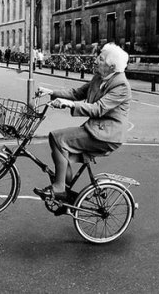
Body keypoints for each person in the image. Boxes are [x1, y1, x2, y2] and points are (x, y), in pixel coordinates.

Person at [33, 43, 131, 201]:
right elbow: (77, 93)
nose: (96, 60)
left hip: (108, 135)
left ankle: (59, 188)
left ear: (111, 66)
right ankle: (65, 186)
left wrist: (69, 104)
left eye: (101, 58)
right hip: (96, 129)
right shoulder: (99, 77)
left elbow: (98, 109)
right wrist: (51, 92)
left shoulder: (121, 85)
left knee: (58, 138)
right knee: (62, 149)